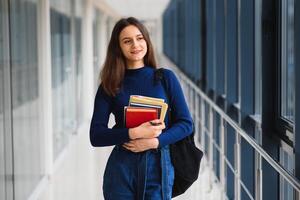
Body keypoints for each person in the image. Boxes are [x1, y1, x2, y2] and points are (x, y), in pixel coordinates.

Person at [89, 17, 193, 200]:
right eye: (127, 41)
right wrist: (133, 133)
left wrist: (155, 142)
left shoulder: (165, 78)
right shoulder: (110, 84)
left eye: (139, 38)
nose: (135, 45)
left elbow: (186, 124)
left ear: (146, 40)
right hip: (122, 167)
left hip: (158, 165)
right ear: (118, 47)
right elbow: (96, 135)